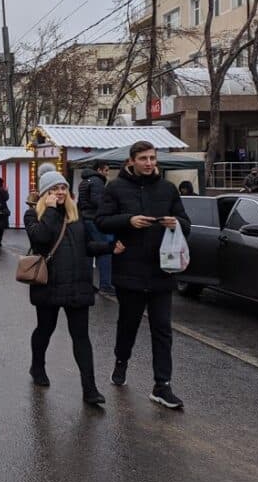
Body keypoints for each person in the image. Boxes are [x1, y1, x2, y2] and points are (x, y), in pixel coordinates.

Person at [96, 141, 191, 409]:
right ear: (132, 161)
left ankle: (163, 385)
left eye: (152, 158)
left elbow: (186, 223)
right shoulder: (115, 188)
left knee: (162, 329)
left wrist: (176, 223)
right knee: (128, 325)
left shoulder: (168, 188)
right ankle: (121, 361)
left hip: (162, 269)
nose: (149, 163)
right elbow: (101, 220)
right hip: (130, 270)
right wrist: (129, 221)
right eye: (143, 158)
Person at [25, 171, 123, 405]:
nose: (59, 192)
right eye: (54, 188)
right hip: (49, 285)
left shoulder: (75, 216)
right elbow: (40, 238)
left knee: (81, 337)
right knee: (45, 330)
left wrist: (109, 248)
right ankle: (37, 366)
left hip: (78, 285)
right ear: (45, 192)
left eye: (63, 188)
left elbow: (87, 246)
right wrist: (49, 210)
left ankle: (89, 389)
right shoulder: (33, 215)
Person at [77, 160, 114, 296]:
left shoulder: (84, 181)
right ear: (99, 170)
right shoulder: (97, 181)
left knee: (88, 251)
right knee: (105, 250)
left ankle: (87, 283)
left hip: (84, 218)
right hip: (94, 219)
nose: (107, 173)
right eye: (106, 170)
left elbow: (81, 202)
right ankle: (106, 284)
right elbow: (97, 201)